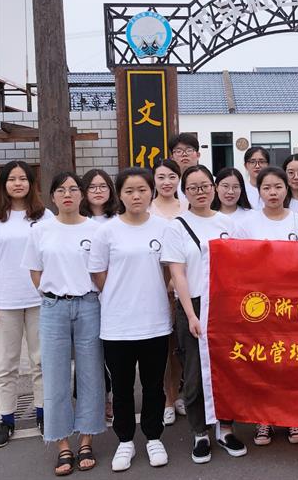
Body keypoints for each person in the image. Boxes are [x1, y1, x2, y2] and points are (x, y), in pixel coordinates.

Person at [161, 165, 247, 464]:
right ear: (185, 192)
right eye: (193, 188)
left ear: (213, 187)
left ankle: (226, 428)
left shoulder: (228, 223)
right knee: (195, 373)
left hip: (225, 306)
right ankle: (200, 433)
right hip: (194, 306)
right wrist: (190, 315)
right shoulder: (176, 227)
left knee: (227, 371)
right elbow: (178, 275)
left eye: (205, 186)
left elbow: (242, 266)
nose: (200, 192)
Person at [21, 172, 105, 475]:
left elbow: (101, 272)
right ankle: (62, 444)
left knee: (91, 374)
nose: (67, 194)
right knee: (54, 375)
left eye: (72, 189)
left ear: (81, 194)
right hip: (53, 307)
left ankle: (87, 439)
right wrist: (52, 294)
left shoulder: (96, 230)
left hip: (89, 305)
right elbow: (35, 271)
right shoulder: (40, 230)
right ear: (52, 196)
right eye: (60, 190)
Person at [89, 168, 171, 472]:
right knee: (122, 387)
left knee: (153, 385)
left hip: (155, 321)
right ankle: (125, 440)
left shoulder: (164, 228)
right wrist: (120, 295)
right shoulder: (107, 231)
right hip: (118, 324)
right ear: (119, 195)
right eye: (129, 191)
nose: (136, 196)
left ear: (151, 192)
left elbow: (169, 271)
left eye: (142, 190)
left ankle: (153, 437)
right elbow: (98, 274)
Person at [235, 167, 298, 446]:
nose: (273, 193)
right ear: (259, 191)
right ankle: (263, 419)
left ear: (287, 189)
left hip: (293, 303)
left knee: (292, 362)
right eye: (267, 188)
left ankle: (293, 417)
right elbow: (240, 263)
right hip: (260, 304)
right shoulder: (247, 224)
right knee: (264, 362)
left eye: (278, 187)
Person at [0, 161, 52, 448]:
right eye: (12, 179)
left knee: (40, 361)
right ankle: (6, 419)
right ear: (3, 184)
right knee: (5, 364)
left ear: (31, 183)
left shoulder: (44, 217)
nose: (18, 183)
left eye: (23, 179)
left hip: (39, 299)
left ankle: (43, 414)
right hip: (4, 300)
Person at [148, 159, 188, 426]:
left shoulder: (187, 207)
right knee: (162, 346)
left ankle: (180, 393)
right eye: (161, 177)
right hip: (155, 283)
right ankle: (167, 399)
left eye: (172, 177)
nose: (166, 182)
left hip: (184, 282)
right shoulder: (147, 208)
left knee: (180, 345)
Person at [80, 168, 118, 421]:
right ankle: (99, 399)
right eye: (92, 187)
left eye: (103, 186)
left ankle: (113, 397)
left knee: (113, 353)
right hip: (86, 296)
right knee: (91, 353)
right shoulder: (77, 220)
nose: (98, 191)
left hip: (115, 295)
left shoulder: (118, 219)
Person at [169, 133, 200, 202]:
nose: (184, 154)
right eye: (179, 151)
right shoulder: (167, 184)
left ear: (198, 155)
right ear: (172, 158)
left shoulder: (211, 181)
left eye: (189, 150)